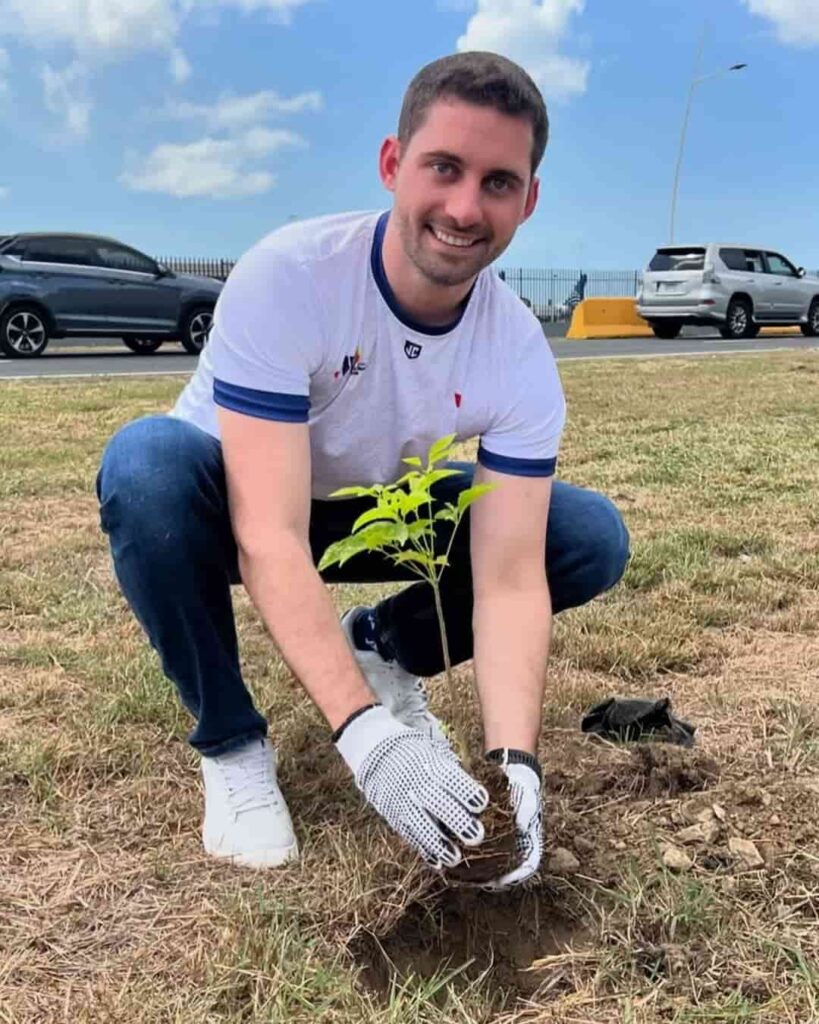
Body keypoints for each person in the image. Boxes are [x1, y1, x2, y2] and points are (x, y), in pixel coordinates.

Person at [96, 51, 629, 889]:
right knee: (144, 465)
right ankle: (232, 744)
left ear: (528, 200)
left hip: (374, 505)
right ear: (392, 164)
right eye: (442, 168)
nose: (462, 207)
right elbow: (267, 532)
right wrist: (367, 740)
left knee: (582, 534)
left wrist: (514, 762)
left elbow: (512, 578)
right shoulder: (294, 276)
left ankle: (384, 647)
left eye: (496, 182)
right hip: (233, 496)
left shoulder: (517, 347)